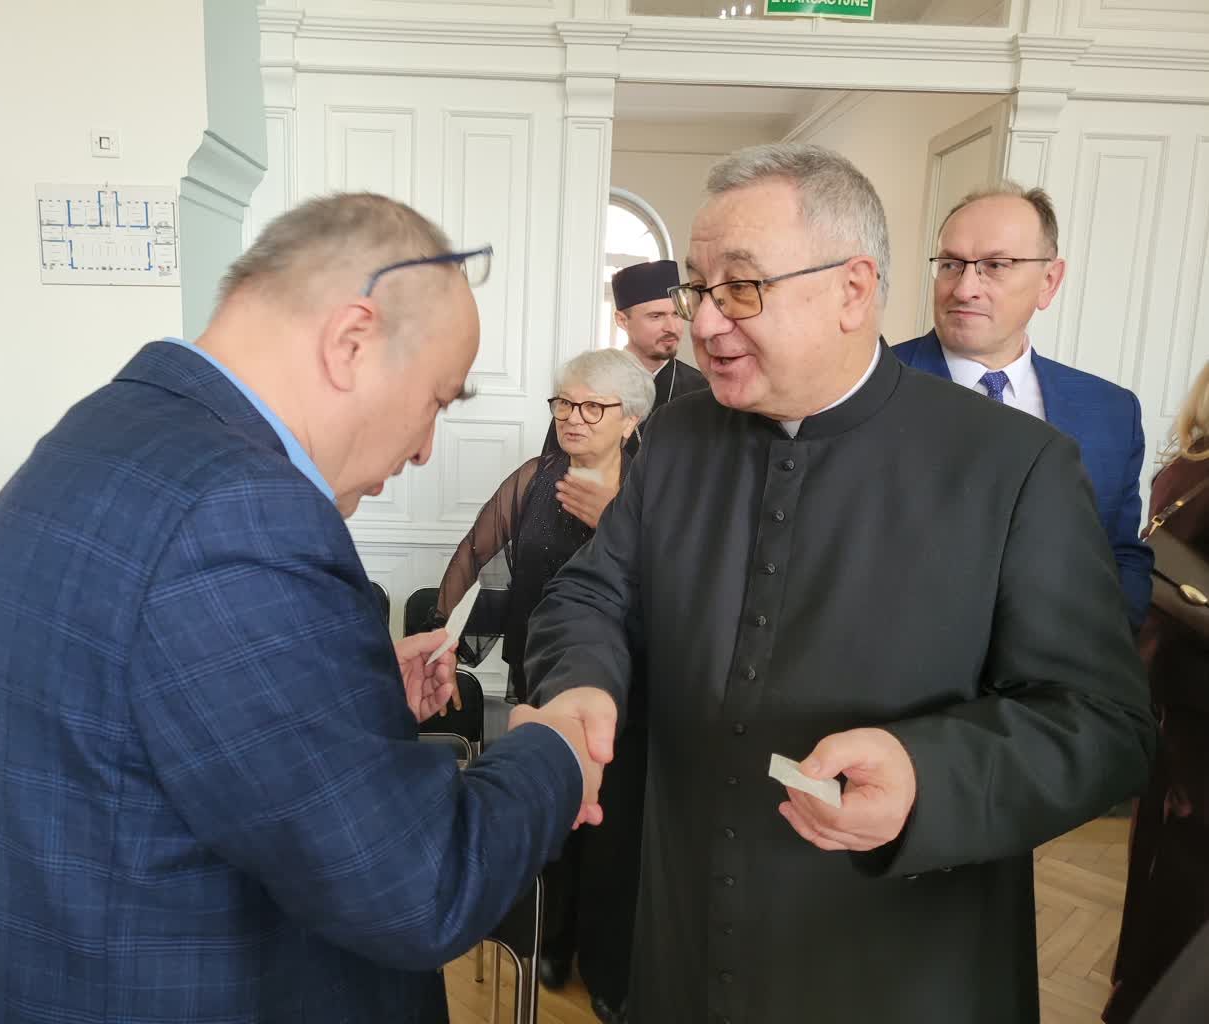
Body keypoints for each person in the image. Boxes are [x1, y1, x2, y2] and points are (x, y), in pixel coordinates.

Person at [0, 193, 605, 1023]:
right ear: (351, 341)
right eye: (437, 398)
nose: (426, 447)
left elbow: (129, 725)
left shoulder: (102, 429)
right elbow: (417, 885)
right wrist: (552, 748)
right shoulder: (240, 509)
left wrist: (347, 700)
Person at [523, 144, 1155, 1024]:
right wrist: (579, 687)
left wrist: (927, 774)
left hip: (898, 958)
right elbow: (590, 596)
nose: (706, 323)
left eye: (742, 287)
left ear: (853, 289)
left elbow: (1102, 722)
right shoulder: (671, 440)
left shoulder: (1015, 466)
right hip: (684, 928)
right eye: (700, 289)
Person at [436, 347, 654, 1023]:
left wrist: (613, 519)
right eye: (563, 402)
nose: (571, 417)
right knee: (552, 811)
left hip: (628, 683)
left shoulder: (652, 486)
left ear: (630, 419)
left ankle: (607, 964)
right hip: (541, 672)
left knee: (614, 826)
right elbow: (478, 556)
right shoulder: (536, 478)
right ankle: (552, 943)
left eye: (591, 406)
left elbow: (677, 583)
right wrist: (446, 643)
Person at [894, 182, 1153, 629]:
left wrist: (1097, 648)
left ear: (1049, 282)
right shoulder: (872, 386)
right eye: (951, 264)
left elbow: (1120, 554)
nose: (964, 289)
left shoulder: (1112, 412)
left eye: (995, 265)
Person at [1105, 361, 1209, 1023]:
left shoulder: (1186, 466)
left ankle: (1140, 992)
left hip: (1172, 687)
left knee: (1166, 856)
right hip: (1194, 699)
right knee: (1185, 866)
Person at [542, 260, 708, 531]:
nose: (672, 327)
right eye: (656, 316)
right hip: (572, 519)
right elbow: (553, 465)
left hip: (664, 532)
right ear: (622, 320)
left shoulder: (702, 390)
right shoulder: (585, 379)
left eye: (676, 314)